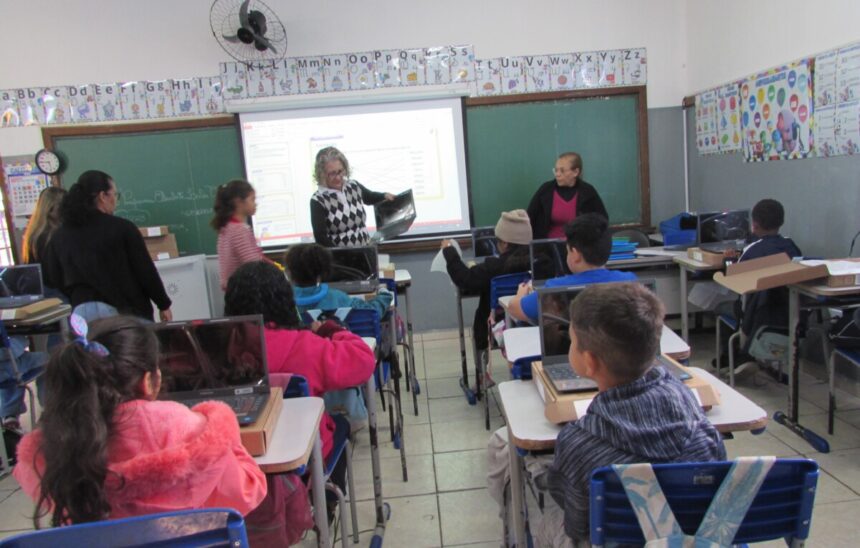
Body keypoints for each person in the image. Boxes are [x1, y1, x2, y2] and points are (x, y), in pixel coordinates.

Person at [14, 315, 266, 527]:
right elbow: (248, 493)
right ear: (148, 381)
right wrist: (227, 436)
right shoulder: (188, 427)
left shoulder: (50, 451)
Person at [541, 283, 726, 544]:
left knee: (545, 519)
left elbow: (577, 525)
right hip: (690, 538)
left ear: (590, 362)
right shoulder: (692, 410)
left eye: (572, 341)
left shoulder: (578, 443)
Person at [224, 261, 376, 499]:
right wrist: (330, 329)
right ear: (285, 299)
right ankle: (326, 504)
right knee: (341, 425)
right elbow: (363, 362)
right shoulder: (305, 346)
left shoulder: (219, 351)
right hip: (305, 459)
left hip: (238, 463)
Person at [42, 170, 172, 322]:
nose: (115, 200)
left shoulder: (60, 235)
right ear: (103, 196)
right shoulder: (122, 228)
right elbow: (145, 271)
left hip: (82, 312)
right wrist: (163, 304)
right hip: (124, 310)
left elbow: (53, 277)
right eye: (115, 195)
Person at [507, 213, 636, 324]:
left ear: (575, 254)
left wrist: (520, 294)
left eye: (567, 250)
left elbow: (515, 309)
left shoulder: (555, 289)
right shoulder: (630, 282)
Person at [723, 199, 801, 362]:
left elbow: (735, 281)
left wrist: (728, 261)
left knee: (721, 307)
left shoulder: (752, 250)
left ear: (754, 224)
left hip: (755, 315)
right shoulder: (791, 246)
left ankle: (732, 359)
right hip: (789, 314)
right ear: (781, 222)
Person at [441, 209, 531, 351]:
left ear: (505, 243)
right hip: (532, 327)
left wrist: (448, 250)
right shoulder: (541, 263)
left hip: (494, 331)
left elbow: (465, 279)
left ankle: (482, 363)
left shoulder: (495, 267)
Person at [310, 146, 395, 248]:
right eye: (332, 174)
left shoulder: (353, 186)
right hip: (340, 256)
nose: (338, 177)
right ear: (322, 174)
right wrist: (342, 254)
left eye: (340, 171)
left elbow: (370, 197)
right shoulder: (318, 200)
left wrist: (384, 195)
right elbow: (320, 238)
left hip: (366, 250)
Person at [285, 243, 393, 319]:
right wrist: (384, 294)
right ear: (321, 271)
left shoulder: (283, 303)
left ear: (288, 273)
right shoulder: (337, 298)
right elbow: (372, 311)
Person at [526, 152, 608, 240]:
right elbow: (530, 217)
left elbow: (602, 221)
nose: (557, 174)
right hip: (548, 246)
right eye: (556, 170)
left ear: (576, 172)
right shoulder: (546, 190)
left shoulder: (588, 192)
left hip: (579, 245)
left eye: (562, 171)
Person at [211, 179, 275, 291]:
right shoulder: (239, 230)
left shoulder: (226, 227)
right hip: (246, 292)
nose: (255, 203)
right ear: (239, 202)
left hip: (234, 291)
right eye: (252, 199)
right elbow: (254, 266)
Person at [21, 187, 67, 265]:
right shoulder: (54, 236)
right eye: (63, 206)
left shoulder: (34, 235)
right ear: (50, 209)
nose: (67, 210)